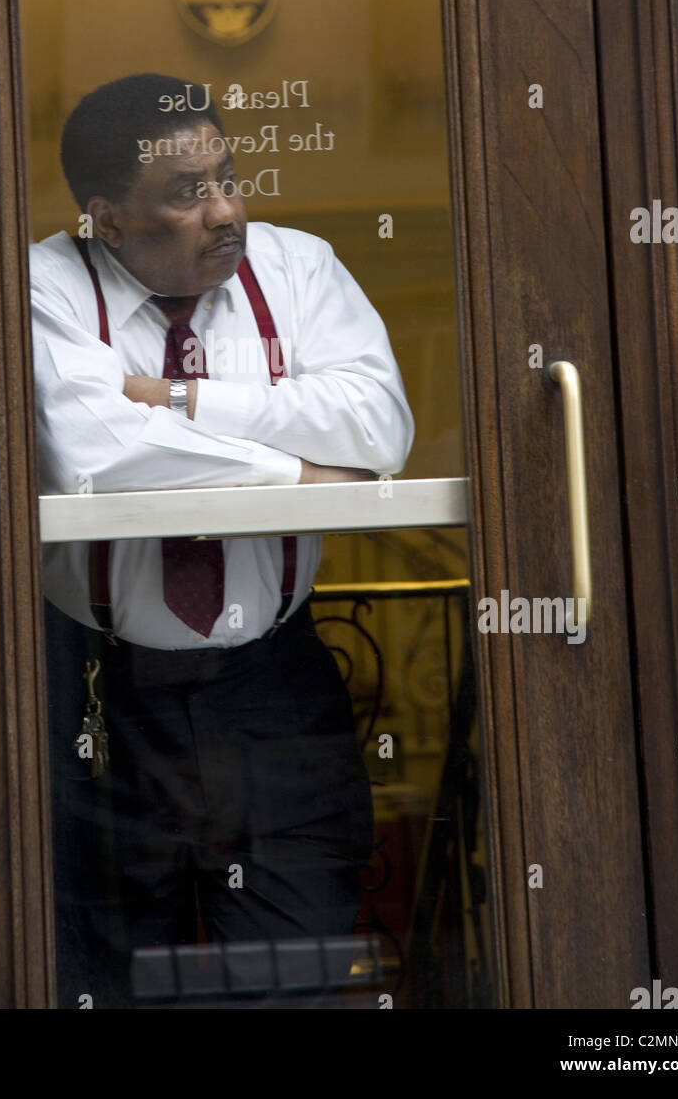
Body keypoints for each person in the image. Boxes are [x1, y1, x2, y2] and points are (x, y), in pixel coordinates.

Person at [30, 73, 414, 1007]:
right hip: (100, 695)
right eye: (188, 193)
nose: (227, 210)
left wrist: (188, 401)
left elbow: (378, 425)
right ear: (108, 221)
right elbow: (100, 455)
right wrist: (295, 474)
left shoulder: (299, 269)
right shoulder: (48, 282)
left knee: (295, 978)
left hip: (272, 689)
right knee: (111, 979)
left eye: (229, 177)